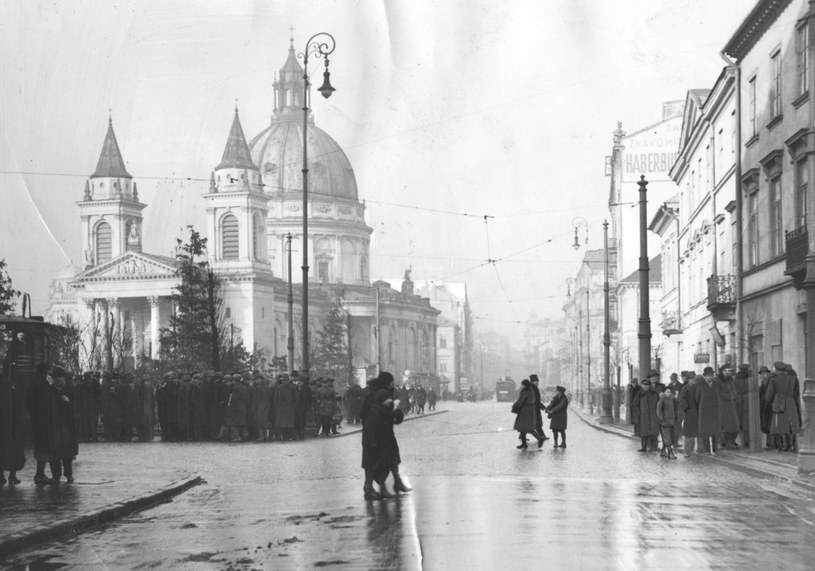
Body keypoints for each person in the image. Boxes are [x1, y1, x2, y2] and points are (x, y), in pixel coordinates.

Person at [362, 389, 402, 499]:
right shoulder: (375, 412)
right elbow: (369, 429)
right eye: (387, 399)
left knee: (384, 467)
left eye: (390, 398)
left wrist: (397, 411)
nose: (390, 400)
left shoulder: (387, 410)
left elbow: (397, 420)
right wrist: (373, 443)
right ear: (381, 400)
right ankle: (369, 489)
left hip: (386, 443)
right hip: (376, 445)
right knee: (374, 468)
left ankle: (383, 491)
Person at [765, 361, 801, 452]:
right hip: (791, 402)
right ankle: (792, 445)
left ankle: (785, 445)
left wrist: (770, 401)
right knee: (792, 423)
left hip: (779, 403)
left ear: (776, 370)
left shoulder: (774, 380)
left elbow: (768, 396)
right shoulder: (792, 379)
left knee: (782, 424)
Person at [696, 366, 721, 454]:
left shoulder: (716, 385)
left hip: (714, 410)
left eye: (711, 375)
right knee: (705, 432)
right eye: (708, 375)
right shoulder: (700, 385)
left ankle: (715, 449)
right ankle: (706, 449)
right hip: (704, 411)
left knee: (715, 431)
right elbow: (697, 398)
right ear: (705, 376)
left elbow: (719, 397)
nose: (710, 377)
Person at [512, 379, 540, 449]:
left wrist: (515, 406)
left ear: (524, 385)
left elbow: (520, 401)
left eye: (522, 384)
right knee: (524, 428)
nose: (521, 386)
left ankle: (538, 439)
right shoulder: (531, 391)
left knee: (523, 427)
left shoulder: (525, 392)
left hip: (524, 411)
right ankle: (524, 444)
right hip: (529, 411)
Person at [717, 364, 740, 449]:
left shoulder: (730, 380)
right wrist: (729, 396)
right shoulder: (718, 380)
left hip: (731, 405)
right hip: (722, 406)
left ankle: (731, 441)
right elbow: (718, 392)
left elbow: (734, 389)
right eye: (728, 371)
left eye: (731, 371)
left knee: (734, 425)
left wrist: (734, 395)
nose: (730, 373)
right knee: (723, 426)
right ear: (723, 371)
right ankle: (722, 442)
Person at [678, 374, 700, 456]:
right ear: (688, 380)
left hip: (697, 412)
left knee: (697, 431)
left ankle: (698, 449)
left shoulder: (697, 387)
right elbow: (681, 399)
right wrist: (687, 408)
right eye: (691, 379)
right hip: (690, 413)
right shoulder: (685, 388)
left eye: (694, 379)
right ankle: (687, 451)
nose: (693, 380)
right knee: (689, 432)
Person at [636, 377, 660, 452]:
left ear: (649, 386)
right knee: (644, 432)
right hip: (643, 416)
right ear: (642, 385)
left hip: (653, 416)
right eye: (644, 385)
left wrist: (658, 413)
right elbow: (635, 404)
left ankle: (654, 447)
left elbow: (658, 404)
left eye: (647, 385)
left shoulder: (654, 394)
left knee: (654, 432)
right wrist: (639, 413)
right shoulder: (639, 394)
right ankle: (644, 447)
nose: (646, 387)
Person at [656, 387, 678, 459]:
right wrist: (662, 418)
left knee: (670, 436)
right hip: (664, 422)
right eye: (667, 392)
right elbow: (658, 410)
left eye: (670, 392)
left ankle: (663, 451)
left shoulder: (673, 399)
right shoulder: (662, 399)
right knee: (667, 437)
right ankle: (670, 453)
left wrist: (676, 418)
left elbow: (675, 409)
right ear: (664, 392)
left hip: (672, 422)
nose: (668, 393)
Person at [529, 374, 550, 443]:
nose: (538, 383)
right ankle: (542, 436)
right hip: (534, 408)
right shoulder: (533, 388)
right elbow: (536, 400)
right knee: (536, 423)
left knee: (534, 423)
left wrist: (541, 406)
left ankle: (542, 436)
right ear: (533, 382)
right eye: (536, 381)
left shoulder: (532, 387)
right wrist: (542, 406)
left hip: (535, 408)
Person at [733, 364, 750, 447]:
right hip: (747, 401)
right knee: (746, 422)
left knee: (738, 422)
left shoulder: (735, 379)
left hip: (738, 401)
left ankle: (736, 440)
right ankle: (747, 441)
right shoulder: (749, 379)